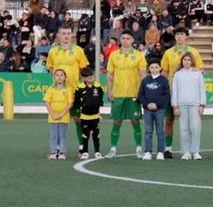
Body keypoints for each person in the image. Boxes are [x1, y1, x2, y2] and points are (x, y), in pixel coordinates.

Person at [105, 29, 146, 157]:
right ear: (120, 40)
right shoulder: (114, 55)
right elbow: (109, 75)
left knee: (135, 121)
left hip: (133, 94)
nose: (125, 41)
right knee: (117, 121)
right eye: (123, 38)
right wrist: (110, 90)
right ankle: (112, 149)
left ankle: (139, 148)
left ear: (132, 40)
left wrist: (141, 93)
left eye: (128, 38)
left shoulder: (139, 55)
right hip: (118, 94)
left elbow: (143, 75)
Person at [137, 60, 170, 161]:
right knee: (148, 131)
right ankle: (148, 151)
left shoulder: (164, 80)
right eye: (152, 67)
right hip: (147, 110)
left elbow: (166, 96)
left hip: (160, 110)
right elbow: (140, 95)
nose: (154, 69)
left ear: (160, 68)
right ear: (149, 69)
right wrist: (147, 104)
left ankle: (160, 151)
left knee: (160, 131)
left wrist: (157, 104)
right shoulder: (145, 80)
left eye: (156, 67)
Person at [44, 69, 74, 161]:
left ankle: (62, 152)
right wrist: (52, 113)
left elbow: (70, 103)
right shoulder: (51, 89)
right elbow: (47, 102)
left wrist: (62, 113)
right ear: (54, 77)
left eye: (61, 75)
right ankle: (53, 152)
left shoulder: (68, 89)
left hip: (63, 116)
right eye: (57, 75)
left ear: (65, 77)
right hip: (52, 117)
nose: (59, 77)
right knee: (53, 135)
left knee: (62, 135)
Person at [73, 71, 104, 160]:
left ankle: (97, 152)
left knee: (96, 135)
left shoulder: (98, 86)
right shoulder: (79, 88)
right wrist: (78, 112)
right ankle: (85, 152)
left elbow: (100, 98)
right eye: (88, 76)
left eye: (91, 75)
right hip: (85, 116)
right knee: (85, 135)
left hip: (95, 116)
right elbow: (77, 102)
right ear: (83, 78)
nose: (90, 77)